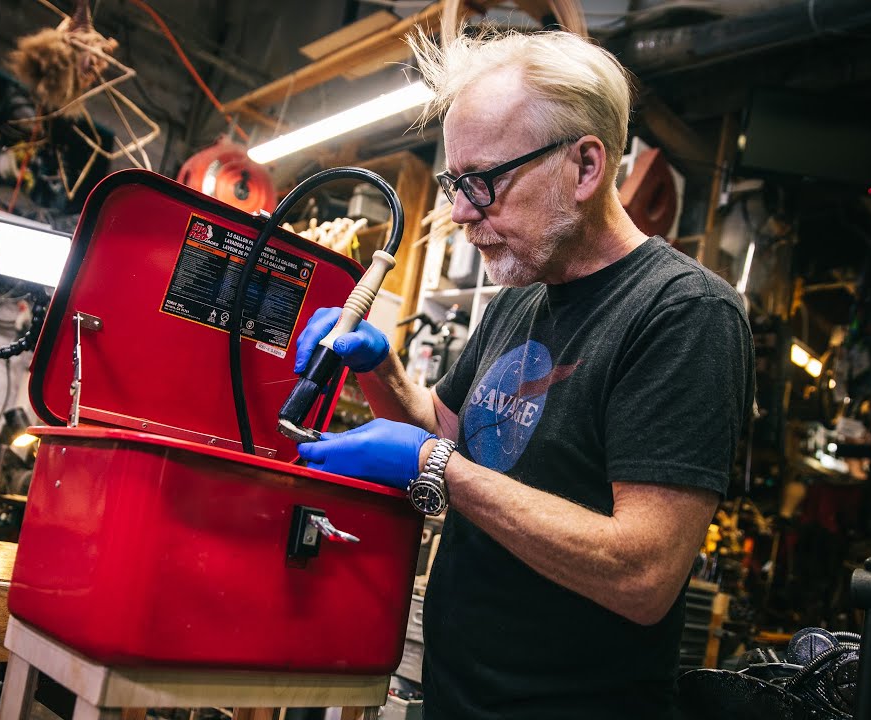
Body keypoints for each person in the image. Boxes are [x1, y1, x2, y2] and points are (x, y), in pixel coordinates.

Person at [292, 27, 754, 720]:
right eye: (454, 182)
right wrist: (379, 365)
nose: (460, 212)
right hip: (457, 696)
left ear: (585, 167)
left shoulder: (685, 314)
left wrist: (437, 467)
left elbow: (644, 574)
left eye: (482, 182)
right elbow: (442, 428)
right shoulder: (521, 298)